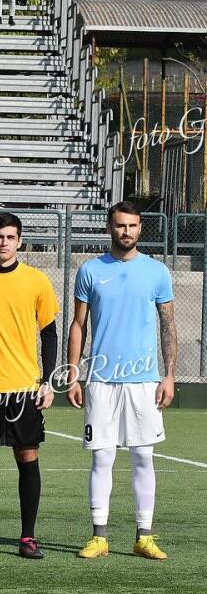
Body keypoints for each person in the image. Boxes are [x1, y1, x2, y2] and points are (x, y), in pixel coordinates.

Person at [68, 202, 176, 562]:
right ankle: (99, 536)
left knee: (144, 457)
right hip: (100, 381)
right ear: (109, 228)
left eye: (131, 226)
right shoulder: (90, 271)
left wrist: (169, 374)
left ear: (140, 229)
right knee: (103, 458)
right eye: (119, 226)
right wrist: (73, 372)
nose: (125, 231)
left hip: (144, 382)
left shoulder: (157, 272)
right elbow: (78, 325)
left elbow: (167, 325)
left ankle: (143, 536)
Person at [0, 213, 58, 560]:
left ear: (19, 240)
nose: (4, 242)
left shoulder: (36, 281)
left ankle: (28, 537)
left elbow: (49, 333)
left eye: (10, 237)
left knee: (27, 457)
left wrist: (47, 381)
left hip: (24, 387)